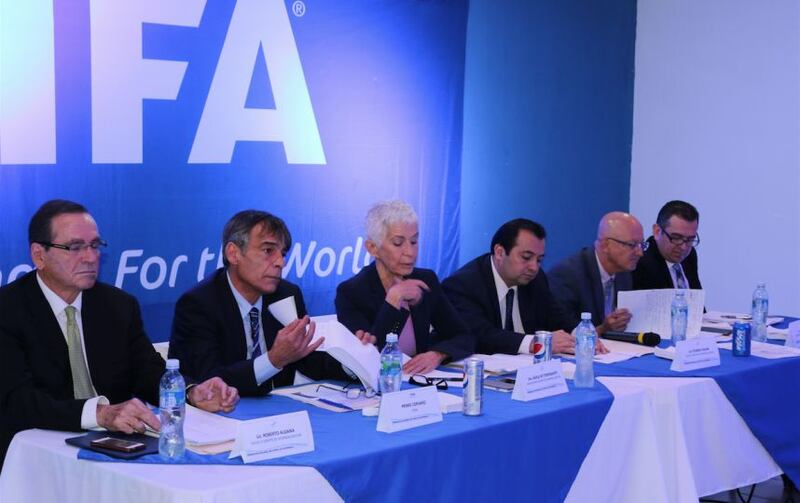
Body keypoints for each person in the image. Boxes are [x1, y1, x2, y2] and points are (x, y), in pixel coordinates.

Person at [0, 200, 238, 470]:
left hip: (113, 449)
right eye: (75, 247)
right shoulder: (8, 310)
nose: (90, 257)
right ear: (39, 255)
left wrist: (192, 393)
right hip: (33, 453)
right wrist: (100, 414)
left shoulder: (117, 305)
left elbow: (147, 371)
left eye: (94, 245)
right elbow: (17, 402)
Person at [169, 210, 369, 397]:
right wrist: (274, 360)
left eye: (283, 253)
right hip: (220, 415)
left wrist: (353, 359)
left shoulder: (287, 294)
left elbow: (307, 359)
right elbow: (208, 381)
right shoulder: (198, 304)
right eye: (268, 250)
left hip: (279, 412)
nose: (280, 262)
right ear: (233, 253)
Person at [335, 200, 474, 375]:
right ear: (373, 248)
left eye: (414, 241)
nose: (410, 252)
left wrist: (437, 354)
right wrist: (393, 302)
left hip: (420, 381)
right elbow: (368, 356)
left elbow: (464, 336)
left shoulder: (425, 280)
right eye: (398, 243)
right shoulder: (351, 292)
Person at [442, 218, 592, 356]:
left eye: (539, 260)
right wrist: (535, 343)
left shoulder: (535, 279)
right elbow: (479, 335)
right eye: (526, 257)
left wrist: (581, 333)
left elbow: (556, 315)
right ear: (500, 253)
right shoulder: (463, 285)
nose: (534, 267)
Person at [548, 212, 646, 334]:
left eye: (642, 245)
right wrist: (603, 329)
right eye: (632, 245)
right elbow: (567, 333)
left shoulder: (624, 273)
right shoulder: (567, 275)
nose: (640, 253)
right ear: (605, 245)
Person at [632, 200, 702, 290]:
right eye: (676, 238)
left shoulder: (690, 255)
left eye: (690, 239)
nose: (683, 247)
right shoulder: (640, 262)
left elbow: (696, 295)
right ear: (657, 231)